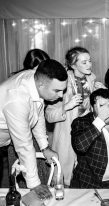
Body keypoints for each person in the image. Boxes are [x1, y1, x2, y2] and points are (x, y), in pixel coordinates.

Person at [0, 59, 68, 199]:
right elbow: (24, 144)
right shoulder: (17, 99)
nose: (61, 95)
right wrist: (34, 184)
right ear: (41, 85)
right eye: (57, 90)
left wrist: (44, 147)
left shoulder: (35, 79)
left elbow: (37, 115)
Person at [45, 46, 104, 186]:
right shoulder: (61, 83)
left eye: (89, 61)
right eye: (84, 62)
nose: (89, 65)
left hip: (89, 136)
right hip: (67, 138)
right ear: (73, 65)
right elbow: (49, 115)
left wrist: (96, 100)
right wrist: (67, 106)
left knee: (87, 179)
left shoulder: (93, 81)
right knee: (64, 180)